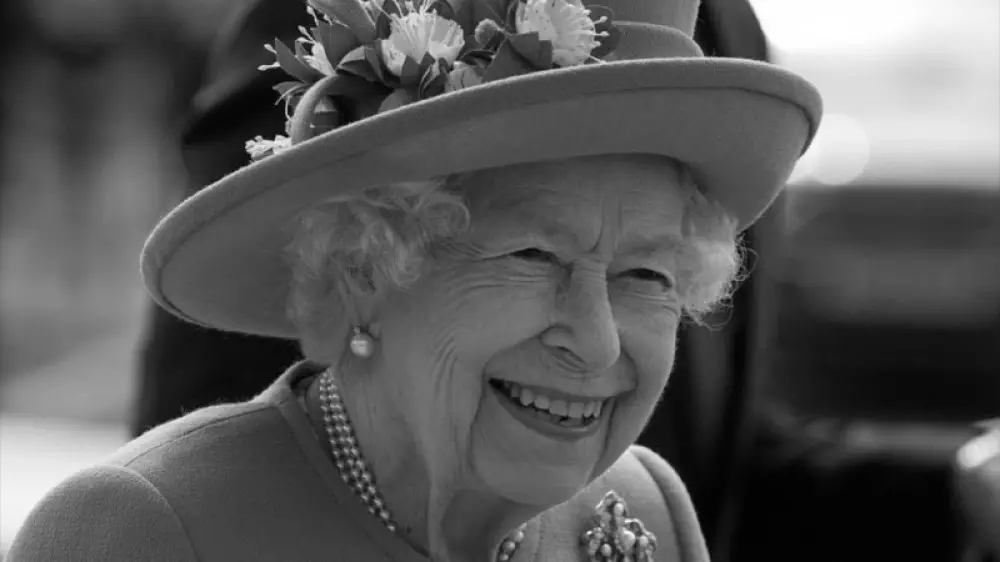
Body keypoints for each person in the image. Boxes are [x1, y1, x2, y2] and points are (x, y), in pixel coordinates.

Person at [8, 0, 821, 559]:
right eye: (533, 256)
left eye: (645, 274)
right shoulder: (147, 531)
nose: (599, 340)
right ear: (365, 267)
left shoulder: (647, 516)